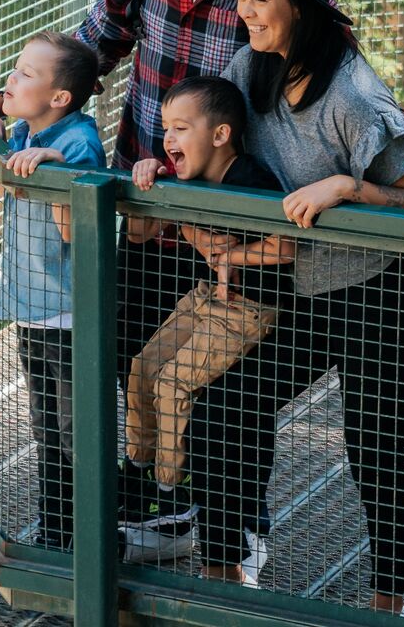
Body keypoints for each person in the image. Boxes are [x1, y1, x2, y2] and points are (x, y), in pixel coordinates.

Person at [0, 0, 262, 555]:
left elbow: (287, 86)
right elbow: (94, 46)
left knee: (224, 375)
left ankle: (238, 527)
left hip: (219, 208)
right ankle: (159, 510)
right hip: (141, 202)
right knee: (136, 359)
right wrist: (1, 100)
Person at [189, 0, 404, 611]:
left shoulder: (354, 100)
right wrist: (165, 161)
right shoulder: (250, 68)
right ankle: (225, 571)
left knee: (372, 445)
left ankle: (388, 600)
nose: (244, 10)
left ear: (299, 6)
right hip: (307, 287)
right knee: (226, 400)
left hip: (386, 292)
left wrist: (348, 188)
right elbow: (206, 135)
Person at [0, 31, 106, 548]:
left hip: (69, 314)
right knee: (46, 430)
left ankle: (95, 536)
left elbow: (81, 233)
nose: (9, 80)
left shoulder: (78, 142)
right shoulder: (22, 129)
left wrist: (58, 177)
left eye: (24, 74)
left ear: (59, 98)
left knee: (76, 433)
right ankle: (56, 532)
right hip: (32, 309)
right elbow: (9, 180)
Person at [123, 77, 294, 497]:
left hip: (247, 308)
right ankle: (137, 466)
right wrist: (147, 181)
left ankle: (169, 491)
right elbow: (139, 234)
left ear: (220, 135)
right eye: (166, 129)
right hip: (205, 296)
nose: (168, 139)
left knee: (172, 382)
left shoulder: (250, 177)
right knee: (142, 368)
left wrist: (229, 257)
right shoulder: (186, 175)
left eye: (181, 128)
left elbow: (286, 246)